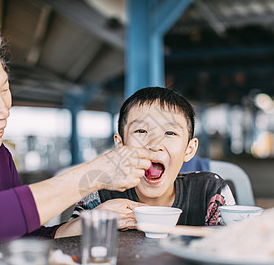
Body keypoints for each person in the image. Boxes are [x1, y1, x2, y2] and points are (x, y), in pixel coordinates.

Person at [0, 18, 156, 249]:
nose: (3, 110)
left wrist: (96, 219)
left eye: (4, 89)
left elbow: (23, 237)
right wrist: (94, 174)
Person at [69, 87, 236, 230]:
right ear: (120, 146)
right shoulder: (100, 193)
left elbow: (233, 245)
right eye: (141, 131)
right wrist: (96, 219)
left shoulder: (210, 192)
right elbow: (66, 243)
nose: (155, 145)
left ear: (189, 149)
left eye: (170, 133)